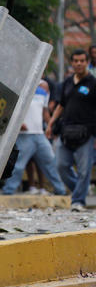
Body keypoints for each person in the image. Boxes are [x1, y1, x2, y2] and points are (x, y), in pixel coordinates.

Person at [46, 49, 96, 211]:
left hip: (86, 133)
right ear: (72, 63)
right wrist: (51, 123)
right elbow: (61, 105)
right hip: (66, 131)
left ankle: (78, 201)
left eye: (82, 60)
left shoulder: (93, 83)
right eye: (76, 61)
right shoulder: (67, 82)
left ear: (87, 62)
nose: (79, 63)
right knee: (60, 165)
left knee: (84, 170)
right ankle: (80, 191)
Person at [0, 80, 67, 196]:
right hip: (24, 135)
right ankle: (8, 191)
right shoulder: (21, 86)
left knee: (50, 162)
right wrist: (18, 123)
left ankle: (61, 191)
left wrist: (50, 125)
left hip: (39, 134)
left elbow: (44, 110)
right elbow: (11, 107)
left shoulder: (43, 90)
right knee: (18, 166)